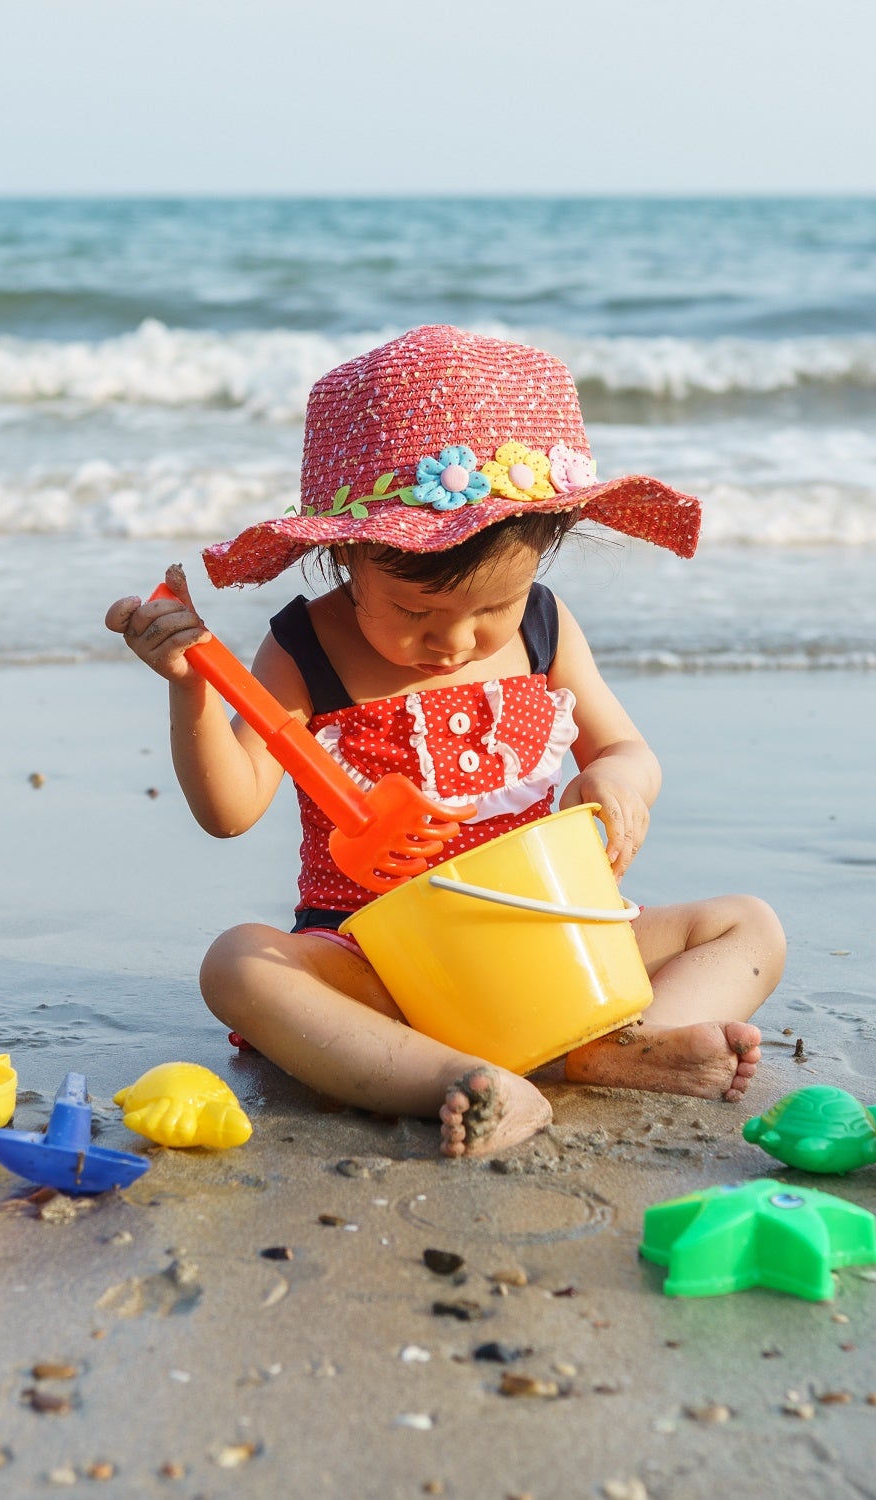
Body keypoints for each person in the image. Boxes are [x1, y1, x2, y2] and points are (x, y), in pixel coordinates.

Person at [105, 327, 784, 1157]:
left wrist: (619, 787)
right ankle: (454, 1080)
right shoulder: (304, 650)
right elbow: (230, 808)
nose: (455, 641)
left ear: (547, 547)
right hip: (382, 964)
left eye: (489, 609)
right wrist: (192, 690)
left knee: (748, 926)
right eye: (415, 614)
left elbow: (625, 750)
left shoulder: (545, 626)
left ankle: (616, 1049)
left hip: (552, 937)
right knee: (237, 965)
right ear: (345, 553)